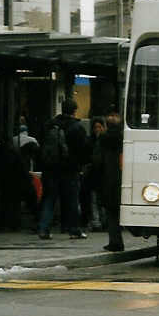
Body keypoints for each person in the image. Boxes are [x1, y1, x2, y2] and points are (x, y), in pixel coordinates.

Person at [38, 98, 88, 240]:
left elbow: (41, 145)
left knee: (49, 199)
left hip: (50, 169)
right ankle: (74, 229)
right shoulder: (77, 127)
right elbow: (83, 149)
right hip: (70, 169)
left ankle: (43, 229)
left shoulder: (49, 125)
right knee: (72, 200)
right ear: (74, 110)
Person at [101, 110, 124, 252]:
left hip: (108, 178)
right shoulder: (124, 138)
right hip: (122, 177)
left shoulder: (103, 140)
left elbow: (98, 160)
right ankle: (117, 240)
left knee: (111, 213)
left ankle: (115, 241)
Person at [81, 116, 106, 231]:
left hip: (101, 175)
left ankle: (102, 221)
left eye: (99, 127)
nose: (97, 129)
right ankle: (97, 222)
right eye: (95, 127)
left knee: (100, 200)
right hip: (94, 175)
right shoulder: (90, 141)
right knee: (94, 200)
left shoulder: (105, 140)